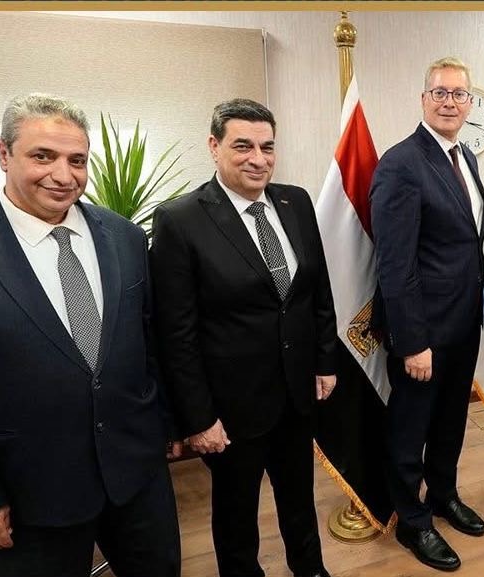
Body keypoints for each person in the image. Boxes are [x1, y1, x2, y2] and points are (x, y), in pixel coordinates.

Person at [0, 93, 181, 577]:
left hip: (137, 480)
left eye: (77, 160)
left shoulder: (125, 237)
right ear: (4, 153)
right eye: (43, 156)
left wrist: (163, 427)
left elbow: (148, 343)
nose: (63, 176)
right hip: (27, 497)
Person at [149, 99, 336, 577]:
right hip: (232, 409)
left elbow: (316, 289)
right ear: (214, 146)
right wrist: (198, 418)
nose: (258, 159)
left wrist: (324, 360)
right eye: (243, 146)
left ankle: (311, 569)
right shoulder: (180, 219)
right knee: (236, 517)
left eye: (267, 147)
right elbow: (176, 333)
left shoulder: (295, 202)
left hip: (296, 395)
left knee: (300, 499)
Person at [369, 56, 484, 572]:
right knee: (410, 427)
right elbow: (394, 264)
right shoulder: (400, 163)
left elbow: (461, 241)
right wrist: (412, 341)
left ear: (470, 102)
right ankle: (413, 520)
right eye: (439, 92)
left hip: (463, 324)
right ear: (423, 99)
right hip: (423, 332)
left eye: (459, 94)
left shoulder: (466, 157)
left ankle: (443, 494)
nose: (449, 102)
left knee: (450, 421)